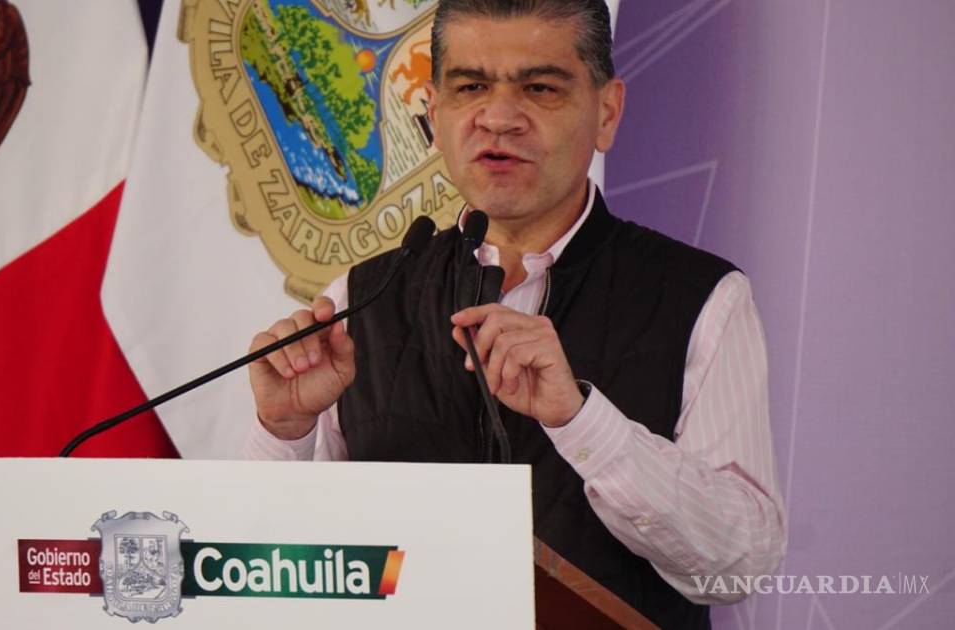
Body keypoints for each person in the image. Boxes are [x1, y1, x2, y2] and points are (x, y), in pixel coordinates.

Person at [242, 1, 786, 627]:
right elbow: (280, 574)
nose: (498, 118)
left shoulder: (702, 297)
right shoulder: (357, 299)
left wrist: (582, 421)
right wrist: (284, 431)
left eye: (540, 88)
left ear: (607, 112)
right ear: (434, 114)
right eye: (470, 87)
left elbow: (741, 566)